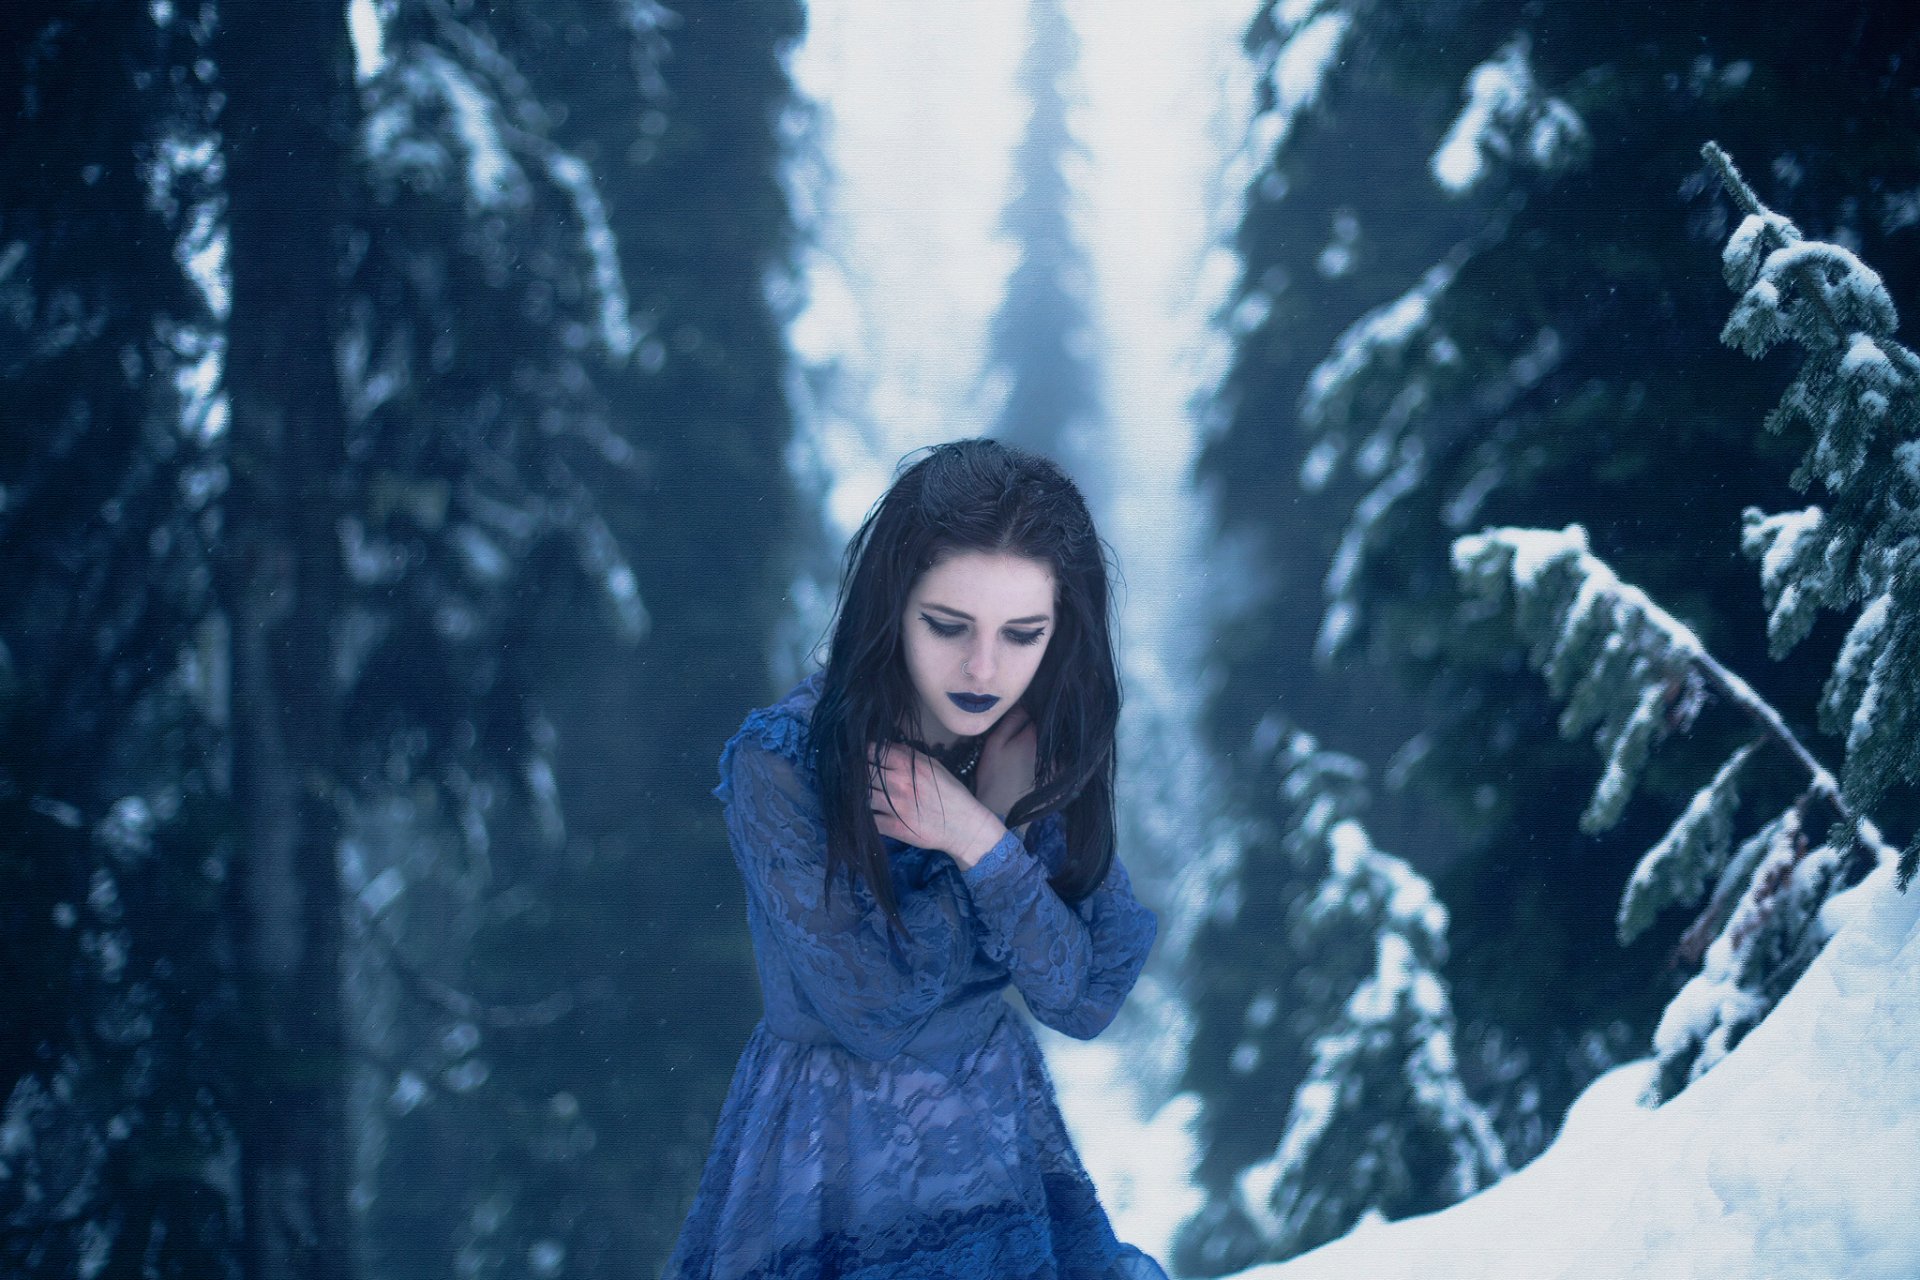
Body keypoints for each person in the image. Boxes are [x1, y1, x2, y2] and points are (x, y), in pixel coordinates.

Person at [662, 439, 1170, 1279]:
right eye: (947, 625)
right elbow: (875, 1011)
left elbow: (1085, 994)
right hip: (830, 1161)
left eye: (1023, 634)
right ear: (892, 606)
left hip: (996, 1144)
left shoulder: (1027, 744)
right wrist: (987, 835)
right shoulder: (781, 763)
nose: (984, 668)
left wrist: (982, 836)